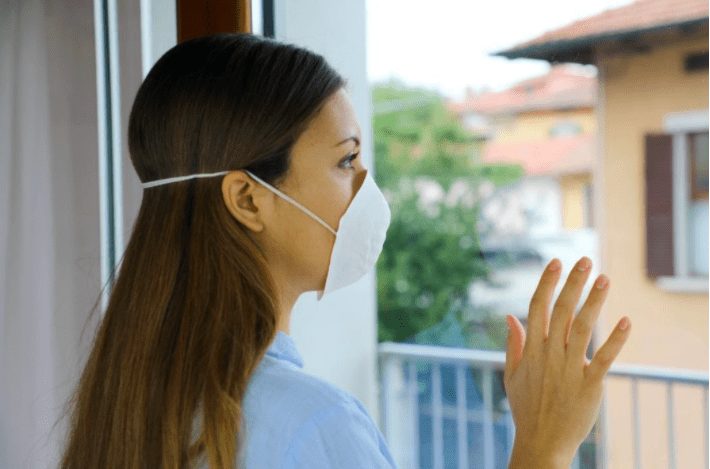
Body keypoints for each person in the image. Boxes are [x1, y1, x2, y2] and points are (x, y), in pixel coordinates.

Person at [58, 32, 631, 468]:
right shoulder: (312, 427)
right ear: (248, 201)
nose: (367, 191)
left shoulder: (131, 403)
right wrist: (544, 446)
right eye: (345, 161)